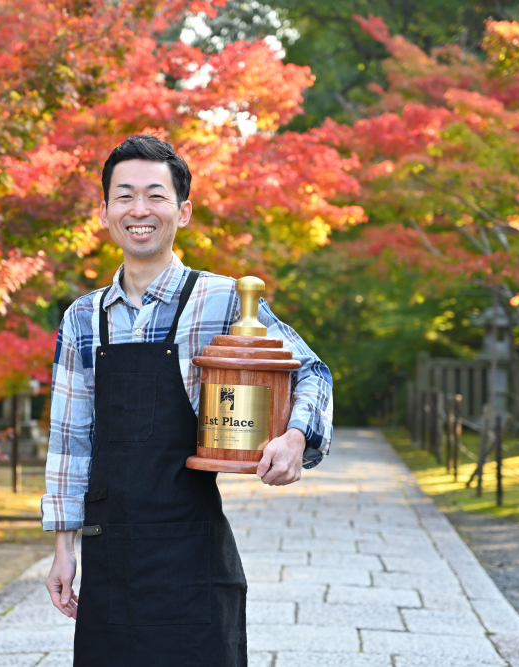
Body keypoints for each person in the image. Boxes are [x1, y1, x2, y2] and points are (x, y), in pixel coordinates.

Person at [41, 134, 333, 666]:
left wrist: (296, 437)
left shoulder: (222, 298)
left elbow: (311, 371)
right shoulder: (83, 318)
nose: (139, 209)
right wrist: (63, 549)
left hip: (193, 555)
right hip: (109, 557)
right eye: (124, 196)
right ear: (105, 212)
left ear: (184, 210)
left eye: (156, 195)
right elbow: (69, 442)